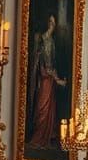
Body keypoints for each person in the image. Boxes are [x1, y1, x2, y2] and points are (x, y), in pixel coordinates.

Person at [28, 14, 67, 149]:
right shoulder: (40, 39)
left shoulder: (52, 42)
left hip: (50, 79)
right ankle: (38, 138)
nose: (52, 26)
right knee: (42, 107)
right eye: (50, 22)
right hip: (44, 78)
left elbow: (53, 63)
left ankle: (47, 138)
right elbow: (39, 62)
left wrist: (56, 77)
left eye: (54, 23)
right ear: (47, 23)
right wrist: (52, 76)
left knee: (50, 109)